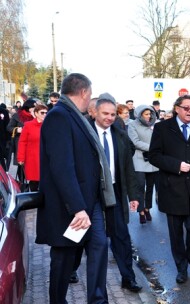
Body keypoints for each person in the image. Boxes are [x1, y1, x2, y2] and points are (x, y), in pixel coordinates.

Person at [37, 73, 114, 303]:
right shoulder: (59, 116)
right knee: (63, 259)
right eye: (90, 94)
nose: (90, 98)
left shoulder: (73, 115)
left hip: (87, 202)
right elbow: (62, 167)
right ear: (83, 92)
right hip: (68, 208)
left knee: (95, 246)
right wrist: (78, 207)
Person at [149, 95, 190, 284]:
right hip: (172, 187)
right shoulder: (162, 128)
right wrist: (176, 165)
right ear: (177, 109)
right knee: (176, 233)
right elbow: (154, 156)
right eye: (186, 108)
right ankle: (181, 267)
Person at [92, 96, 142, 292]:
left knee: (121, 236)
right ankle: (73, 269)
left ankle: (128, 278)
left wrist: (134, 195)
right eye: (105, 113)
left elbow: (128, 168)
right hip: (91, 195)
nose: (110, 118)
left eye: (113, 114)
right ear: (95, 112)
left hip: (115, 192)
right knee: (90, 237)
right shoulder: (85, 133)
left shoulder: (120, 134)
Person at [128, 105, 159, 224]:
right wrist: (152, 148)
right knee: (140, 186)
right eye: (146, 114)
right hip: (139, 159)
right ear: (140, 114)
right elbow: (135, 142)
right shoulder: (132, 124)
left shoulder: (155, 124)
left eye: (150, 114)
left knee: (150, 187)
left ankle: (147, 209)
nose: (149, 116)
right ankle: (141, 211)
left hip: (152, 160)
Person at [17, 104, 47, 191]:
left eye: (46, 113)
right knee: (34, 181)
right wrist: (21, 158)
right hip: (32, 158)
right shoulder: (28, 125)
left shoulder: (49, 125)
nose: (45, 114)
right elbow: (22, 142)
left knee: (45, 181)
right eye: (42, 113)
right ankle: (34, 200)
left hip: (45, 158)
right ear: (36, 113)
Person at [7, 98, 36, 179]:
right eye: (33, 107)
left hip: (33, 143)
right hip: (20, 143)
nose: (35, 109)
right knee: (21, 164)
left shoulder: (36, 115)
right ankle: (22, 183)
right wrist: (17, 129)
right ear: (28, 107)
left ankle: (32, 182)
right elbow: (9, 127)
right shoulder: (17, 116)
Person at [0, 103, 10, 170]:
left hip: (2, 139)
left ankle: (4, 175)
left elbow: (7, 126)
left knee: (1, 158)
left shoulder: (3, 111)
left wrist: (8, 139)